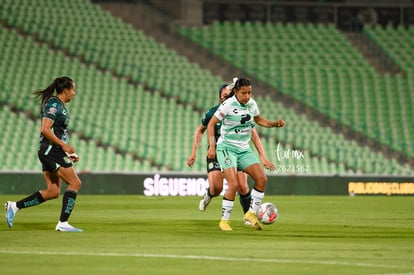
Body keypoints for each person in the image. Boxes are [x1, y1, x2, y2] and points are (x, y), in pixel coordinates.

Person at [4, 76, 83, 232]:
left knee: (53, 191)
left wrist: (67, 151)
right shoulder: (53, 105)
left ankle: (14, 206)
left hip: (53, 151)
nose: (74, 93)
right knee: (75, 183)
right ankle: (63, 223)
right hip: (50, 151)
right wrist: (64, 146)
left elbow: (58, 133)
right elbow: (45, 129)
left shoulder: (61, 106)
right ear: (66, 90)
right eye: (73, 89)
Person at [207, 77, 285, 231]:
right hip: (227, 148)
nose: (247, 96)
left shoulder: (251, 104)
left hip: (243, 149)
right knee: (234, 184)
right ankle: (224, 221)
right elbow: (211, 124)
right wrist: (212, 146)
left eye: (249, 92)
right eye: (244, 93)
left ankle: (251, 213)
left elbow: (259, 120)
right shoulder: (227, 105)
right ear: (236, 92)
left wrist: (274, 124)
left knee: (262, 179)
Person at [186, 83, 275, 216]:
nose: (227, 98)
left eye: (229, 95)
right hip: (217, 152)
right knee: (217, 188)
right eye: (224, 96)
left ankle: (248, 218)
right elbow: (200, 130)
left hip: (236, 151)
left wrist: (263, 156)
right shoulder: (213, 112)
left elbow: (254, 135)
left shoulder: (241, 110)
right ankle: (209, 194)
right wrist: (195, 152)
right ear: (219, 98)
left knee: (242, 186)